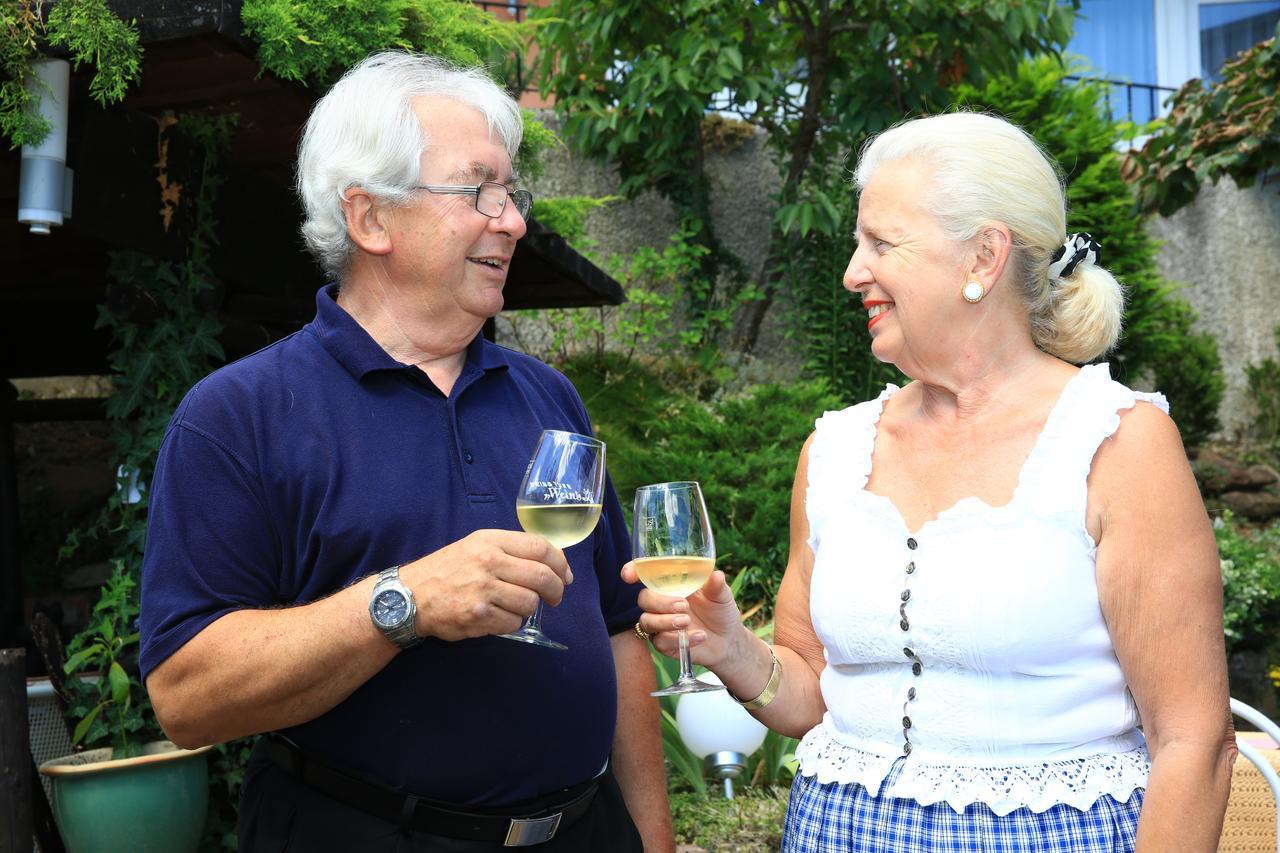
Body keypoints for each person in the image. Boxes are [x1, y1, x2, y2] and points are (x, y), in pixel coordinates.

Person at [630, 111, 1234, 850]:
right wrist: (731, 648)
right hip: (836, 832)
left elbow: (1193, 742)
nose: (853, 271)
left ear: (983, 257)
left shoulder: (1117, 441)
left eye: (881, 242)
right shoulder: (834, 448)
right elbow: (810, 694)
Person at [139, 51, 673, 852]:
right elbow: (185, 696)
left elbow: (618, 628)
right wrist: (402, 602)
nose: (514, 220)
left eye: (512, 191)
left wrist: (653, 836)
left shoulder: (548, 397)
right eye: (478, 191)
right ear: (371, 218)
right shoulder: (238, 415)